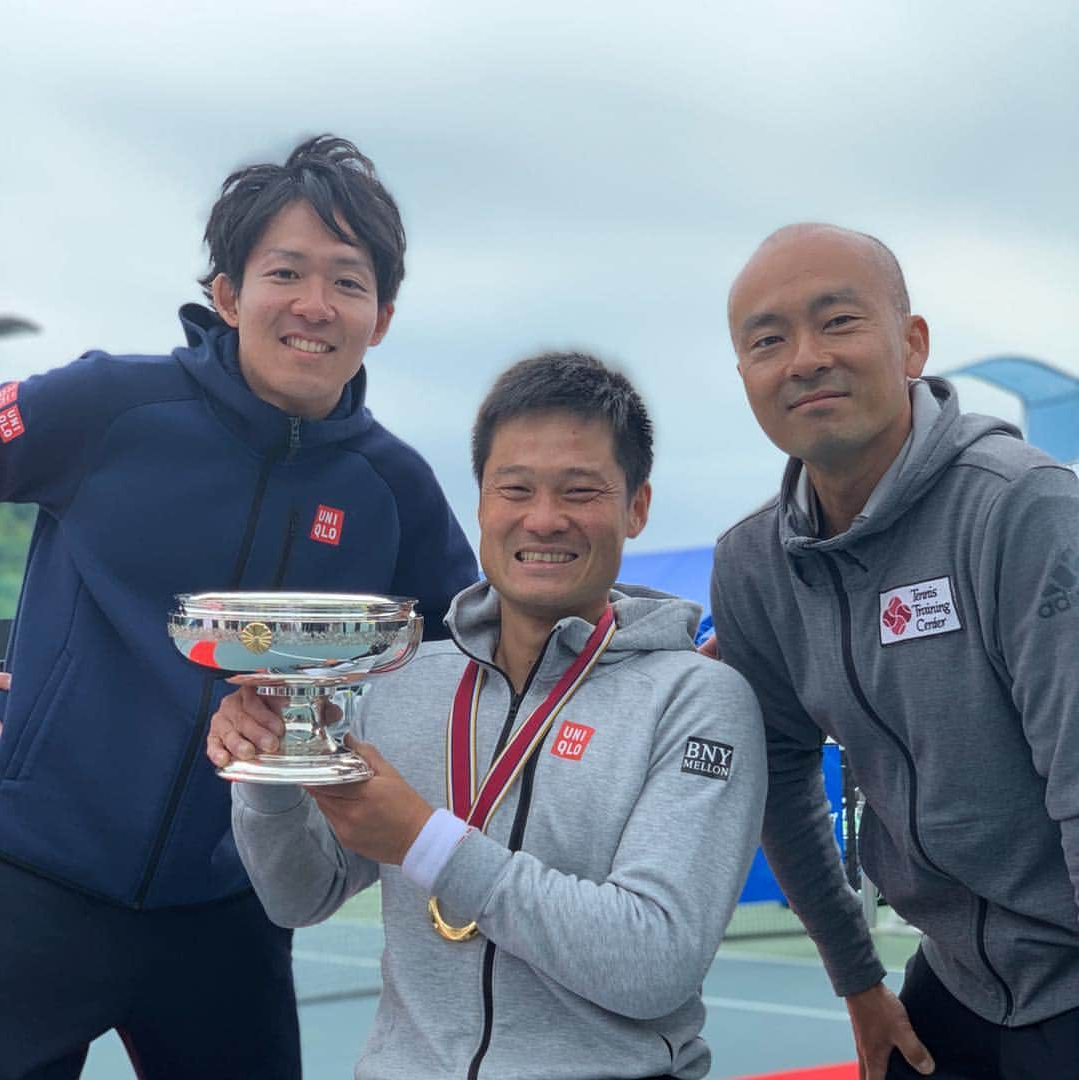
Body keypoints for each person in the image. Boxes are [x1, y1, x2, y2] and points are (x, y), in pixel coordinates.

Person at [0, 135, 477, 1079]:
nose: (313, 305)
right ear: (227, 294)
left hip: (233, 909)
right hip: (32, 883)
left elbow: (483, 653)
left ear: (380, 317)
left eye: (347, 281)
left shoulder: (395, 490)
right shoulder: (111, 408)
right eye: (285, 271)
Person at [210, 352, 766, 1080]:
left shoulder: (696, 701)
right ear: (481, 503)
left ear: (637, 505)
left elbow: (653, 961)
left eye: (580, 490)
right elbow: (299, 896)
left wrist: (423, 839)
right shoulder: (404, 680)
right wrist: (270, 776)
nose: (544, 518)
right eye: (516, 488)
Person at [710, 223, 1079, 1079]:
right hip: (952, 984)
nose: (804, 358)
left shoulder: (1021, 512)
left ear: (911, 344)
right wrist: (856, 976)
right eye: (768, 340)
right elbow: (782, 776)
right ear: (745, 378)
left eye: (837, 321)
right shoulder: (754, 566)